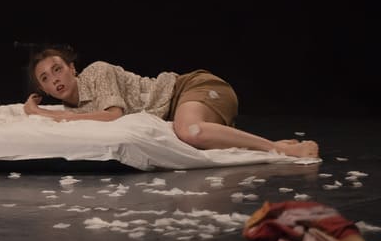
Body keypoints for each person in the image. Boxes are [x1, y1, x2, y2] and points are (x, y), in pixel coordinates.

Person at [23, 46, 320, 158]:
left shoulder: (97, 71)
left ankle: (279, 149)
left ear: (73, 68)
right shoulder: (74, 107)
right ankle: (273, 145)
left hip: (192, 87)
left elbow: (112, 115)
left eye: (58, 69)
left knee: (190, 131)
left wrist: (42, 114)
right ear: (43, 89)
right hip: (182, 108)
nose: (54, 79)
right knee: (193, 134)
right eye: (45, 78)